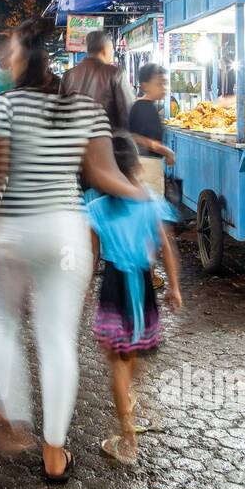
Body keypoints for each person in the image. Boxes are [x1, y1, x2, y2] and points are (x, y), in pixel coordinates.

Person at [0, 17, 145, 484]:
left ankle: (16, 420)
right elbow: (103, 175)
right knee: (58, 340)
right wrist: (143, 195)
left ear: (22, 58)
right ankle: (55, 454)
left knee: (2, 320)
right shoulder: (84, 110)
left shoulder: (4, 106)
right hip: (65, 234)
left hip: (11, 232)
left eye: (12, 53)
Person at [87, 138, 181, 465]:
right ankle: (133, 406)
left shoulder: (96, 208)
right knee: (132, 354)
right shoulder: (149, 203)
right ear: (136, 166)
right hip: (142, 288)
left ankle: (127, 439)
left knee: (118, 362)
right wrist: (174, 288)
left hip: (114, 288)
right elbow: (166, 247)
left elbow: (93, 258)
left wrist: (85, 294)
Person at [61, 29, 136, 153]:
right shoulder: (115, 74)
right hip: (107, 150)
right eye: (111, 49)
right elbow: (127, 115)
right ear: (105, 49)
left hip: (74, 149)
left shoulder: (68, 75)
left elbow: (61, 116)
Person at [128, 62, 175, 196]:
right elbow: (137, 138)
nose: (163, 88)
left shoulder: (147, 106)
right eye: (159, 84)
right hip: (146, 167)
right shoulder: (142, 107)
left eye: (165, 83)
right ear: (145, 85)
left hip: (148, 166)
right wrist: (167, 152)